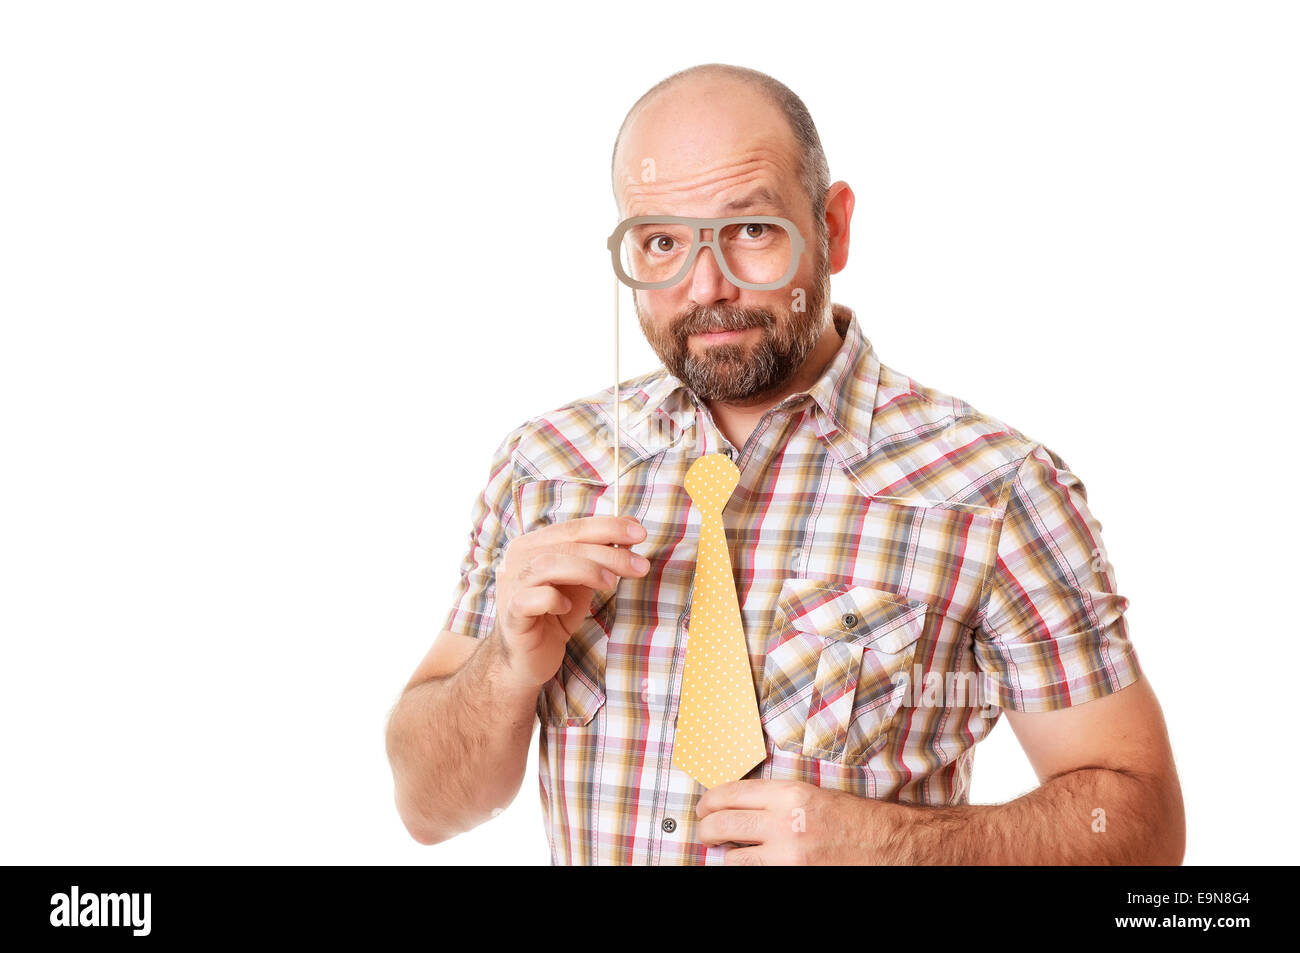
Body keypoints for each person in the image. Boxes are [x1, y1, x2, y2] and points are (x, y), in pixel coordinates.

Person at [384, 63, 1185, 865]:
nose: (705, 286)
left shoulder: (996, 490)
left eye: (752, 231)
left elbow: (1141, 824)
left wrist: (896, 847)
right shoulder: (545, 469)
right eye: (661, 241)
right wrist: (505, 667)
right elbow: (429, 809)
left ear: (833, 226)